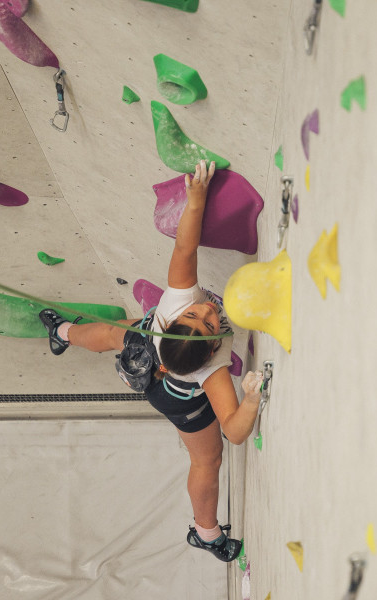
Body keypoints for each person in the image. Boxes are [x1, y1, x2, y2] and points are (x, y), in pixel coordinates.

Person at [38, 160, 262, 563]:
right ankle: (206, 534)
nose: (208, 310)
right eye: (208, 321)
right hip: (174, 396)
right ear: (214, 348)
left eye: (198, 314)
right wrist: (249, 399)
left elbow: (185, 247)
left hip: (146, 347)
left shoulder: (176, 304)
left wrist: (196, 200)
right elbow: (233, 431)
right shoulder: (211, 371)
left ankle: (63, 332)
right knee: (207, 459)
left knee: (114, 334)